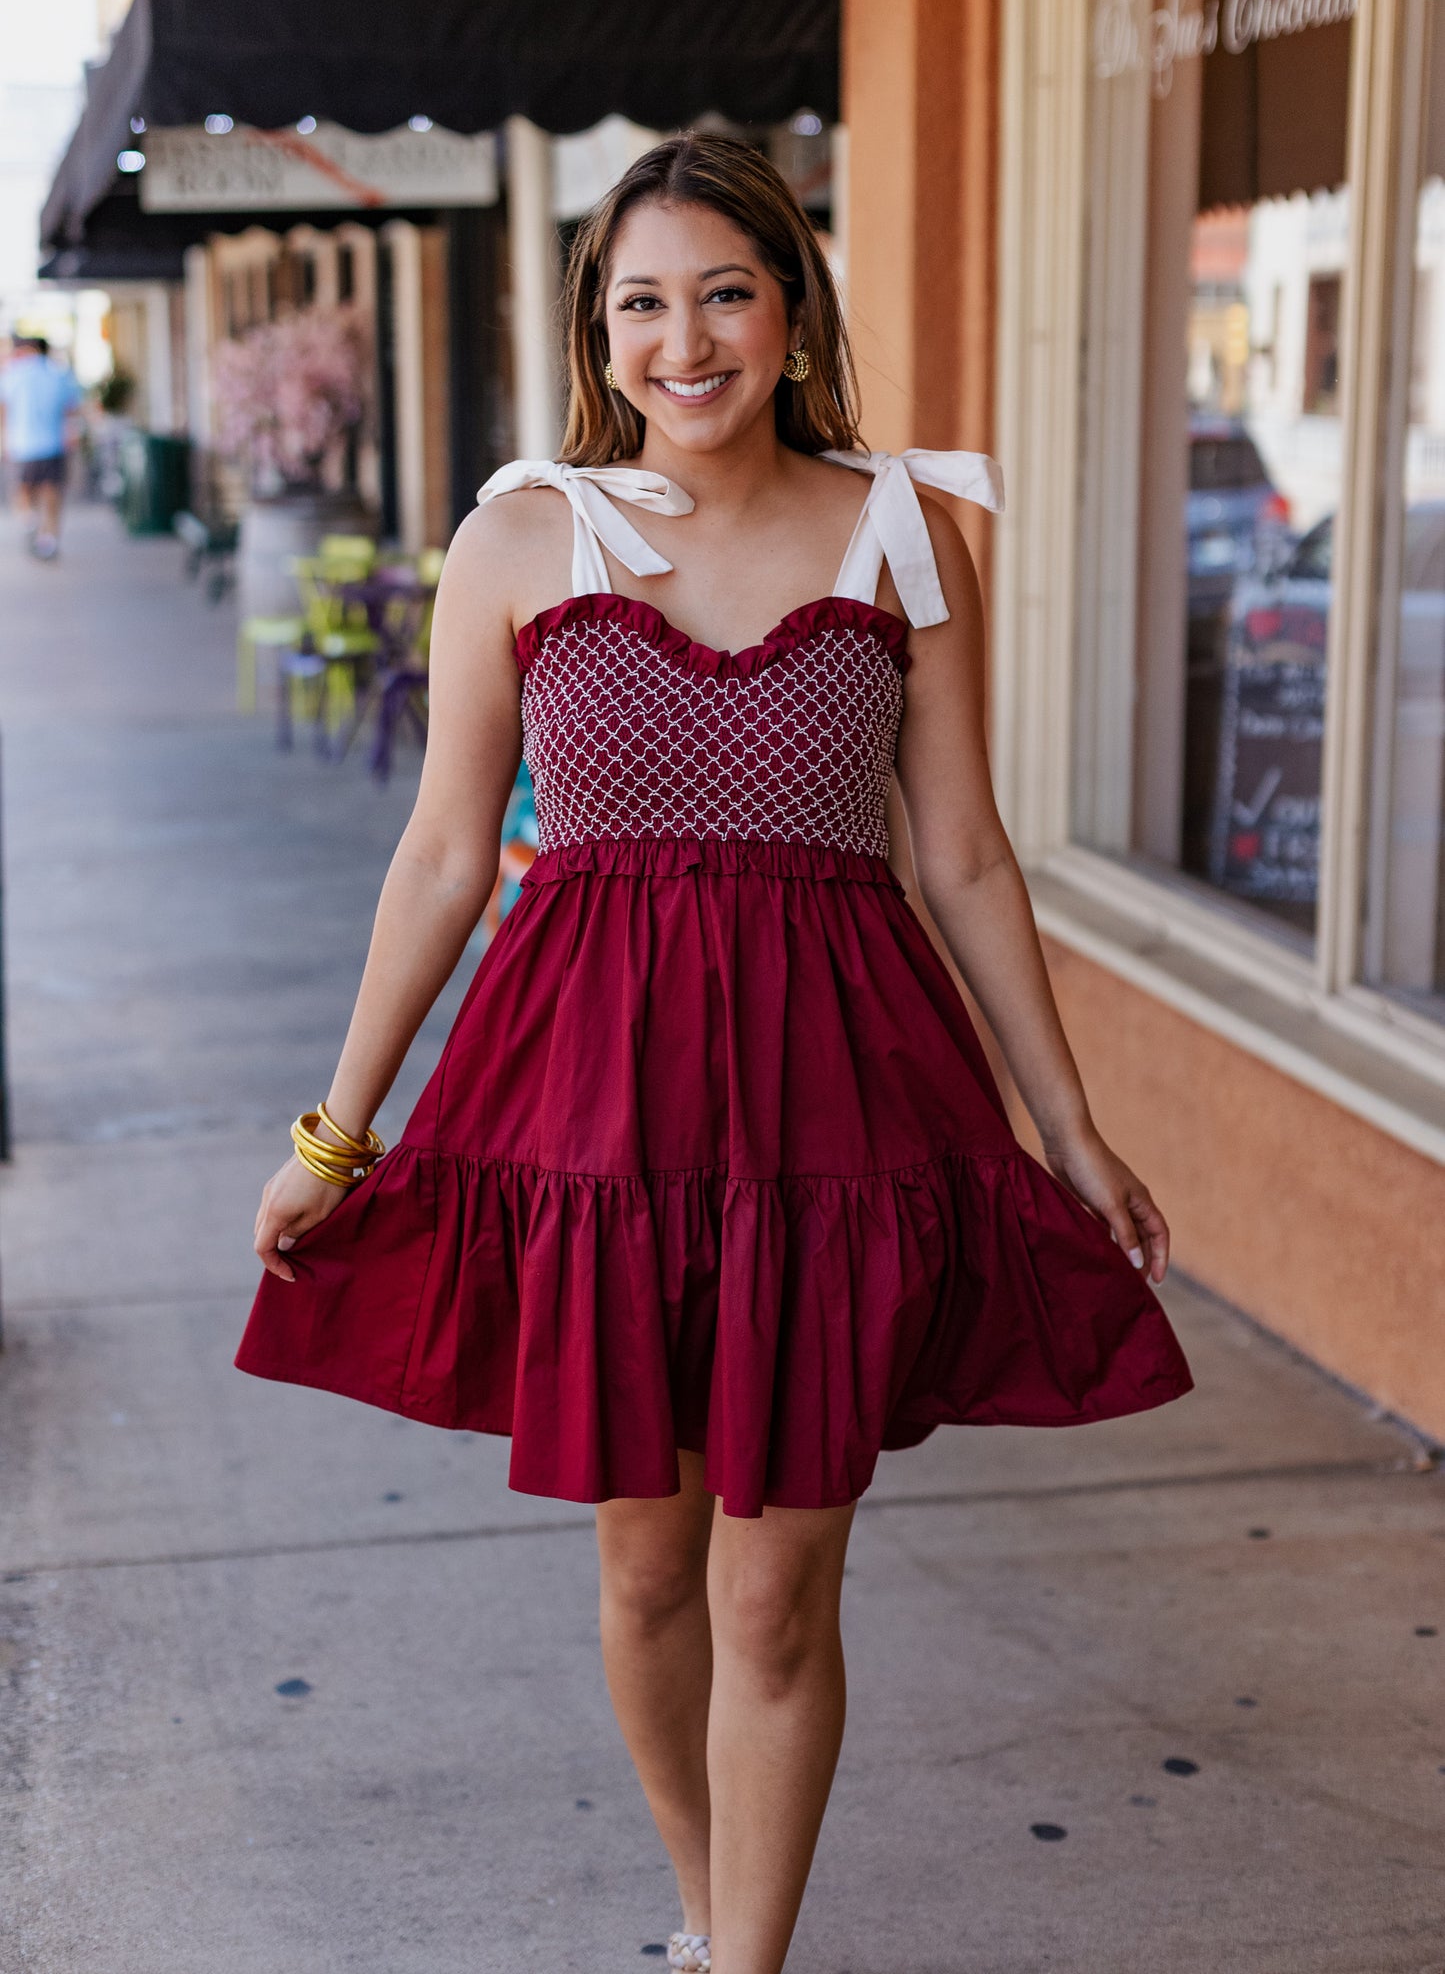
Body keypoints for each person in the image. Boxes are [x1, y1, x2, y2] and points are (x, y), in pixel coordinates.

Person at [239, 134, 1191, 1973]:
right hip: (590, 1113)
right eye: (645, 303)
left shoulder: (907, 529)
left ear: (793, 308)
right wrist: (335, 1136)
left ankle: (744, 1960)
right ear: (600, 336)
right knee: (651, 1569)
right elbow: (443, 854)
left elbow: (965, 852)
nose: (689, 340)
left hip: (837, 1115)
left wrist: (1072, 1129)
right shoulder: (521, 535)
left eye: (727, 291)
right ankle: (702, 1895)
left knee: (773, 1594)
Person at [0, 334, 83, 560]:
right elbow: (72, 409)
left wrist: (4, 438)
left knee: (23, 488)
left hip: (22, 444)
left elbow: (3, 409)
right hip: (52, 443)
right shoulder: (58, 373)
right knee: (51, 490)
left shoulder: (11, 374)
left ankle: (29, 520)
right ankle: (49, 538)